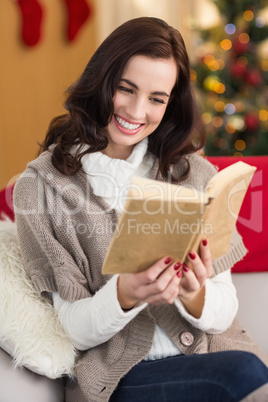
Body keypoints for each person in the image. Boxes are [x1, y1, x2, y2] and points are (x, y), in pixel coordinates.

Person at [13, 17, 268, 402]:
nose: (136, 111)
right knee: (244, 373)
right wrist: (125, 293)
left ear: (170, 104)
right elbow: (74, 329)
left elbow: (224, 308)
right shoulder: (41, 188)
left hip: (212, 354)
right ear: (101, 80)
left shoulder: (195, 174)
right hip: (123, 377)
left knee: (247, 368)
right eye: (125, 89)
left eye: (156, 99)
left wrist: (194, 292)